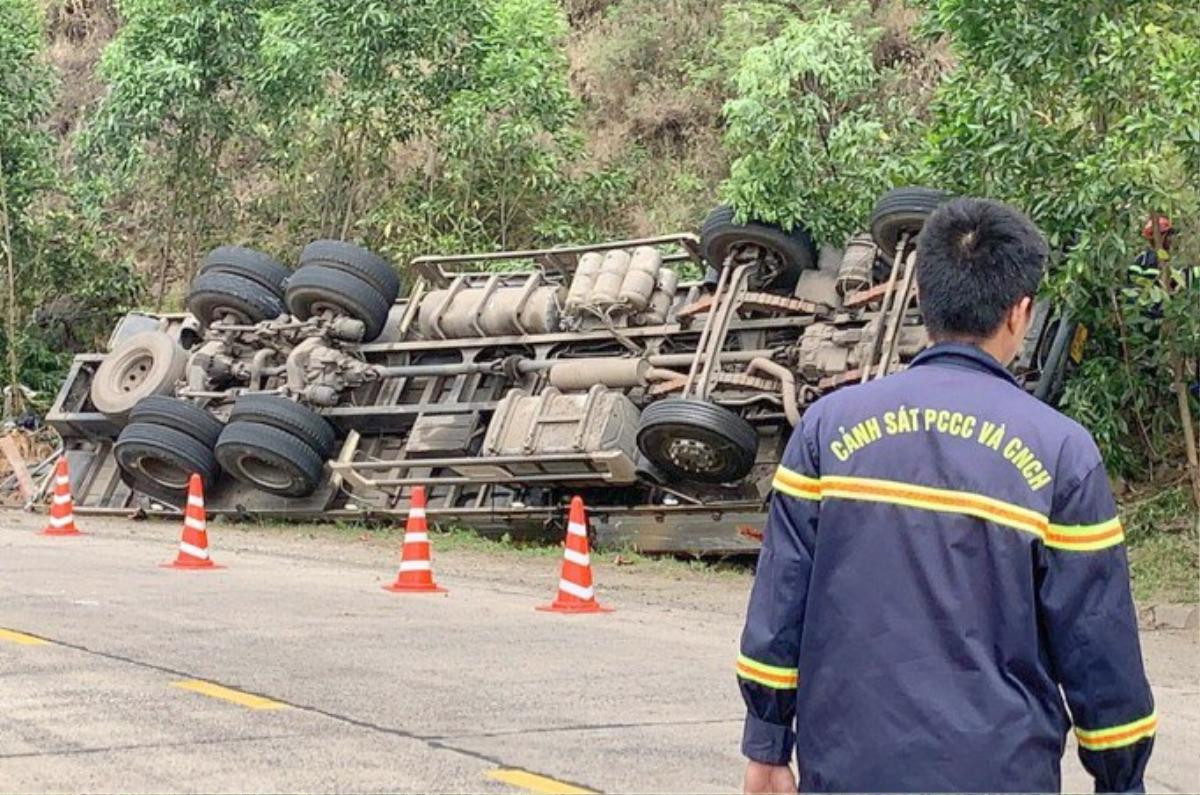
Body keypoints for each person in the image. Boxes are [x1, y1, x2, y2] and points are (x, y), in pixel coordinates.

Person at [737, 197, 1155, 794]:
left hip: (849, 770)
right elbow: (1100, 646)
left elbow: (779, 607)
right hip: (1000, 774)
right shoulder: (1061, 453)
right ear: (1021, 312)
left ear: (920, 299)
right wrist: (1122, 780)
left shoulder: (828, 430)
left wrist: (767, 746)